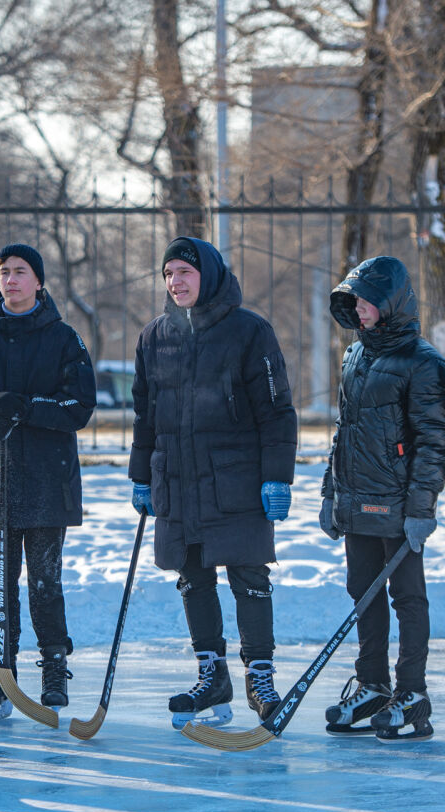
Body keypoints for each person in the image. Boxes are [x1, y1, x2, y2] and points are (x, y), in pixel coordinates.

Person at [129, 236, 298, 731]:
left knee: (249, 575)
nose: (175, 282)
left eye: (185, 271)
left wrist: (276, 477)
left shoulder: (249, 331)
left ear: (209, 275)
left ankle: (260, 677)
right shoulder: (154, 336)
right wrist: (142, 474)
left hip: (236, 478)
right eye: (168, 274)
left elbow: (276, 409)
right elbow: (145, 415)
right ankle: (212, 675)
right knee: (192, 574)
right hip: (177, 478)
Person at [0, 243, 96, 720]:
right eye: (4, 272)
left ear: (39, 282)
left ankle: (54, 666)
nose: (10, 280)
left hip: (46, 481)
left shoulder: (64, 338)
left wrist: (28, 408)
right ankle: (1, 669)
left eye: (20, 272)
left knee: (44, 582)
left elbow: (79, 407)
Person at [319, 255, 445, 743]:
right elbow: (344, 431)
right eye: (353, 298)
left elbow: (434, 442)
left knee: (407, 599)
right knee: (364, 593)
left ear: (391, 301)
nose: (358, 307)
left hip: (398, 509)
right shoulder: (354, 357)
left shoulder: (422, 363)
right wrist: (331, 494)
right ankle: (373, 685)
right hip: (356, 503)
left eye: (367, 299)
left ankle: (412, 693)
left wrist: (422, 508)